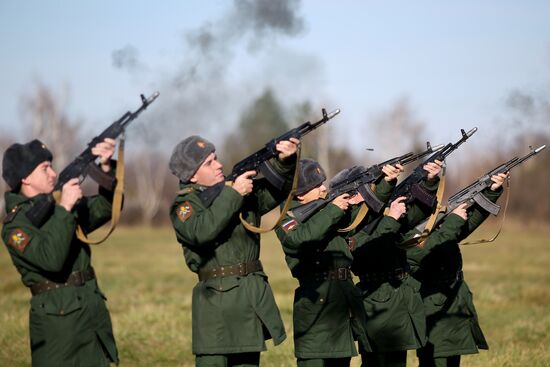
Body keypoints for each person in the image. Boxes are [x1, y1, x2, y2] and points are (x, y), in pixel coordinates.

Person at [168, 135, 299, 367]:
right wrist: (234, 193)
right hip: (215, 307)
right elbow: (201, 231)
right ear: (192, 175)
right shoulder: (185, 206)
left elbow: (275, 191)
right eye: (209, 163)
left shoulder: (235, 192)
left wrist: (285, 162)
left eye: (216, 158)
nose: (218, 165)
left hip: (249, 301)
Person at [1, 138, 119, 366]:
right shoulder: (15, 227)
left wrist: (105, 167)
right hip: (58, 324)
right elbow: (50, 259)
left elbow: (107, 208)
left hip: (90, 310)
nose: (53, 174)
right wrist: (64, 208)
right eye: (44, 168)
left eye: (51, 167)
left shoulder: (57, 206)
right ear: (24, 178)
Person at [274, 160, 404, 367]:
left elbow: (363, 216)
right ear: (300, 194)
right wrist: (334, 210)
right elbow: (298, 241)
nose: (323, 188)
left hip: (343, 302)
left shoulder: (326, 210)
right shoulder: (288, 218)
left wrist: (386, 182)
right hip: (315, 304)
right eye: (317, 186)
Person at [406, 172, 508, 367]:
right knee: (435, 360)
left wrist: (491, 192)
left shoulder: (438, 224)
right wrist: (452, 220)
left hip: (454, 299)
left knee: (452, 360)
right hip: (432, 303)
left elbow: (466, 225)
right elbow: (425, 249)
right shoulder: (408, 230)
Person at [351, 160, 443, 367]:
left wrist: (429, 181)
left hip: (399, 298)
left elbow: (418, 212)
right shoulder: (349, 221)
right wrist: (391, 218)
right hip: (375, 299)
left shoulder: (381, 213)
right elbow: (366, 251)